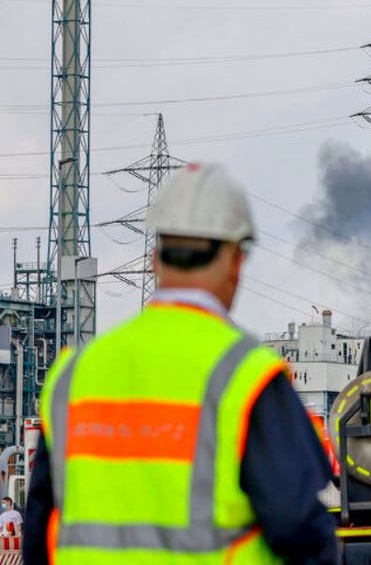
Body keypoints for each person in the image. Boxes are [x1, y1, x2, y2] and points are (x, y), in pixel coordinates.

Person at [23, 163, 338, 565]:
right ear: (236, 261)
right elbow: (301, 530)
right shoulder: (245, 376)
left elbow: (39, 532)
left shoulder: (76, 375)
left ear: (155, 258)